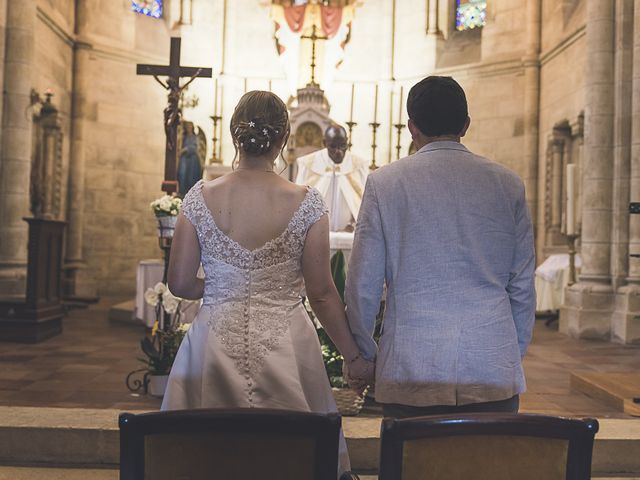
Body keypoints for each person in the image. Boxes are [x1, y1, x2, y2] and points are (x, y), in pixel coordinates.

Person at [162, 90, 372, 479]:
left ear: (233, 136)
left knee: (206, 455)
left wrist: (221, 288)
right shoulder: (306, 202)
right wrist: (354, 357)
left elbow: (178, 282)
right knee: (291, 454)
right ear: (283, 140)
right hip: (287, 342)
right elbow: (322, 292)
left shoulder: (198, 197)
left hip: (212, 340)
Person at [343, 76, 536, 418]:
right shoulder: (508, 184)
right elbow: (522, 283)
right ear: (466, 125)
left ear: (411, 127)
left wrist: (364, 354)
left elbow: (363, 285)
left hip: (412, 363)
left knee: (411, 467)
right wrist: (509, 353)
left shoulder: (384, 183)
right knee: (491, 468)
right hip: (491, 361)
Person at [295, 125, 369, 232]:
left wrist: (353, 223)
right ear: (324, 143)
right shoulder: (307, 164)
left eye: (343, 146)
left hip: (349, 233)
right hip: (315, 233)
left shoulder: (359, 165)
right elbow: (299, 204)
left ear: (347, 142)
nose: (338, 151)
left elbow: (365, 204)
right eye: (333, 147)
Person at [177, 121, 203, 197]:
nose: (188, 128)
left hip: (192, 160)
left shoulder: (195, 137)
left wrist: (185, 149)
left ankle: (191, 194)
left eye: (190, 126)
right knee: (182, 174)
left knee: (191, 177)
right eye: (187, 126)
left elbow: (196, 148)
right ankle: (182, 193)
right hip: (184, 159)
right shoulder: (183, 137)